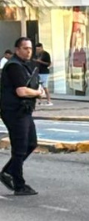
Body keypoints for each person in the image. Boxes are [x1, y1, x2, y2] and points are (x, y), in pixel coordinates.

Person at [1, 37, 45, 196]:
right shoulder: (14, 66)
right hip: (14, 111)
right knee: (19, 148)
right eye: (25, 48)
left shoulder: (25, 65)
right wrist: (38, 93)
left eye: (30, 48)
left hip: (24, 111)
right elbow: (21, 91)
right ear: (17, 49)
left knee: (31, 143)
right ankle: (19, 185)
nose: (29, 51)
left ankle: (8, 171)